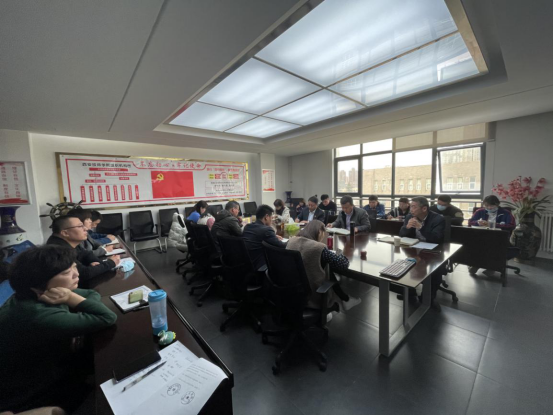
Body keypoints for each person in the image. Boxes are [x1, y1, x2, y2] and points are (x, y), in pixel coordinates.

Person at [0, 245, 117, 413]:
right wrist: (71, 298)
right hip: (34, 393)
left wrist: (71, 296)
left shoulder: (34, 294)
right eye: (67, 273)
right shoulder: (37, 314)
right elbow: (106, 317)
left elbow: (92, 294)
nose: (76, 274)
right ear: (37, 285)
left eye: (74, 267)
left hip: (53, 367)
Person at [287, 221, 361, 317]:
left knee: (326, 268)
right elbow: (343, 264)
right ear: (319, 232)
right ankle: (344, 300)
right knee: (328, 269)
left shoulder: (292, 241)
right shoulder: (318, 248)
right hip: (313, 296)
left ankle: (345, 299)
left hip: (292, 292)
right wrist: (342, 253)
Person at [400, 197, 446, 309]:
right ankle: (410, 294)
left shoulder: (438, 219)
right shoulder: (410, 217)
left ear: (424, 208)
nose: (411, 209)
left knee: (435, 272)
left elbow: (436, 238)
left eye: (414, 207)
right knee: (405, 266)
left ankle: (428, 298)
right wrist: (407, 227)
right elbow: (402, 234)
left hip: (433, 251)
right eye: (411, 206)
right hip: (414, 249)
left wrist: (421, 227)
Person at [46, 216, 120, 284]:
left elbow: (86, 254)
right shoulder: (57, 250)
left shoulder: (69, 242)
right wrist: (111, 263)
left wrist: (98, 264)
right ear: (65, 233)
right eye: (80, 226)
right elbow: (83, 274)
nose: (86, 229)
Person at [243, 205, 287, 271]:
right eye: (271, 217)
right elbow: (282, 246)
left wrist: (274, 237)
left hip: (248, 264)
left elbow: (258, 237)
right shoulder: (266, 230)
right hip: (261, 265)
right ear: (266, 217)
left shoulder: (247, 227)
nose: (271, 220)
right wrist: (292, 240)